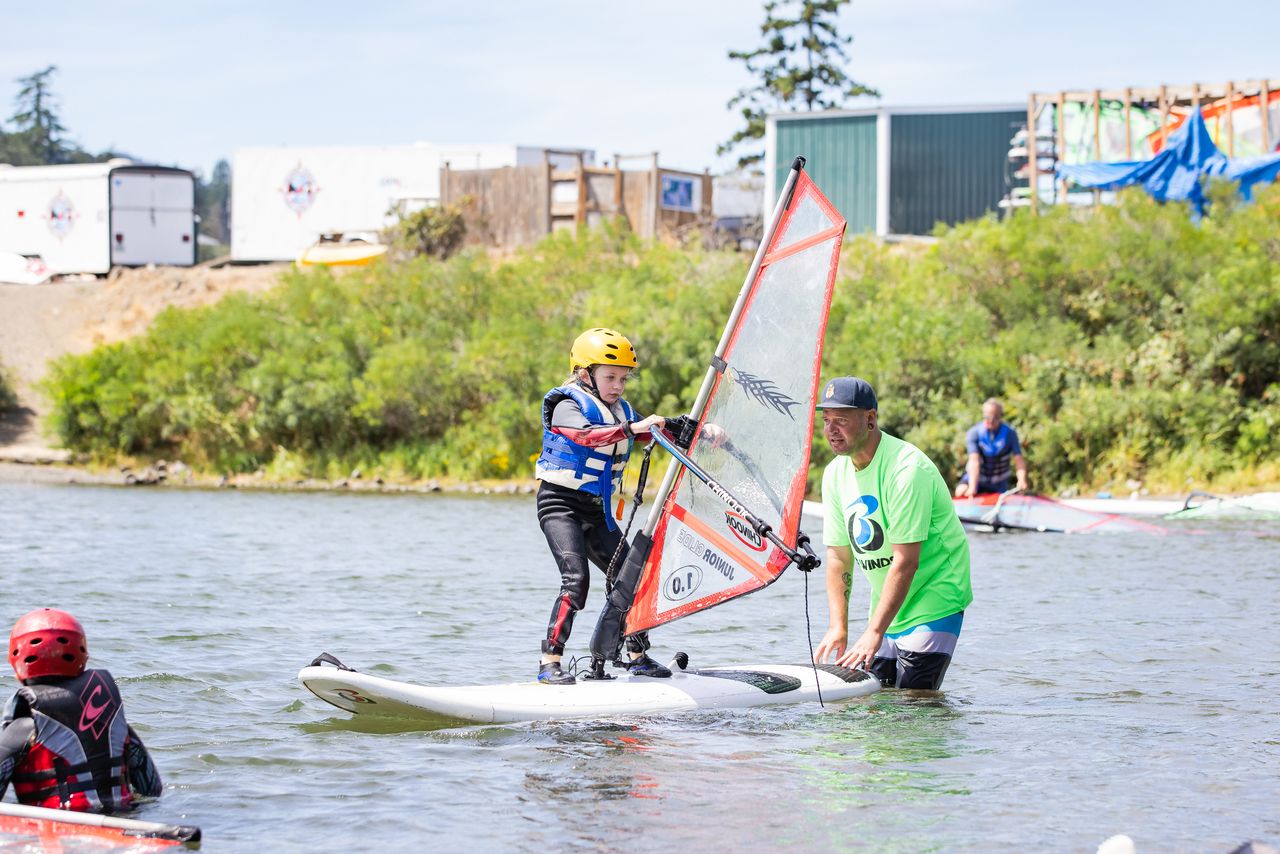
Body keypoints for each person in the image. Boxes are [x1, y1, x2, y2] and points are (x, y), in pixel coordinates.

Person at [534, 327, 695, 685]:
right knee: (576, 580)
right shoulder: (566, 404)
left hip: (597, 510)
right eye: (610, 377)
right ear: (584, 374)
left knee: (630, 577)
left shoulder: (620, 410)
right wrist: (633, 427)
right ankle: (550, 662)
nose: (618, 386)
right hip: (560, 505)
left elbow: (650, 430)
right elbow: (587, 435)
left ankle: (637, 655)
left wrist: (696, 429)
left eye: (623, 378)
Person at [813, 377, 972, 690]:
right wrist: (838, 625)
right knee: (876, 697)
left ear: (870, 419)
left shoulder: (906, 470)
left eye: (841, 420)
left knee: (914, 701)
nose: (831, 429)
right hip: (889, 603)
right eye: (826, 420)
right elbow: (838, 557)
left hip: (935, 593)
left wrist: (874, 632)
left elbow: (905, 562)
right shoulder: (834, 474)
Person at [0, 608, 162, 811]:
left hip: (58, 831)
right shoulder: (111, 721)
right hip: (123, 818)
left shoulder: (22, 727)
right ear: (81, 654)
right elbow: (152, 790)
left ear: (17, 659)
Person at [954, 398, 1029, 497]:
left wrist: (1022, 480)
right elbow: (974, 462)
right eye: (988, 416)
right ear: (983, 414)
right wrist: (972, 487)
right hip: (978, 479)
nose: (991, 420)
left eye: (995, 417)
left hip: (999, 484)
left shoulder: (1010, 433)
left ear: (1000, 416)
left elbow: (1018, 460)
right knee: (961, 492)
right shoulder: (974, 433)